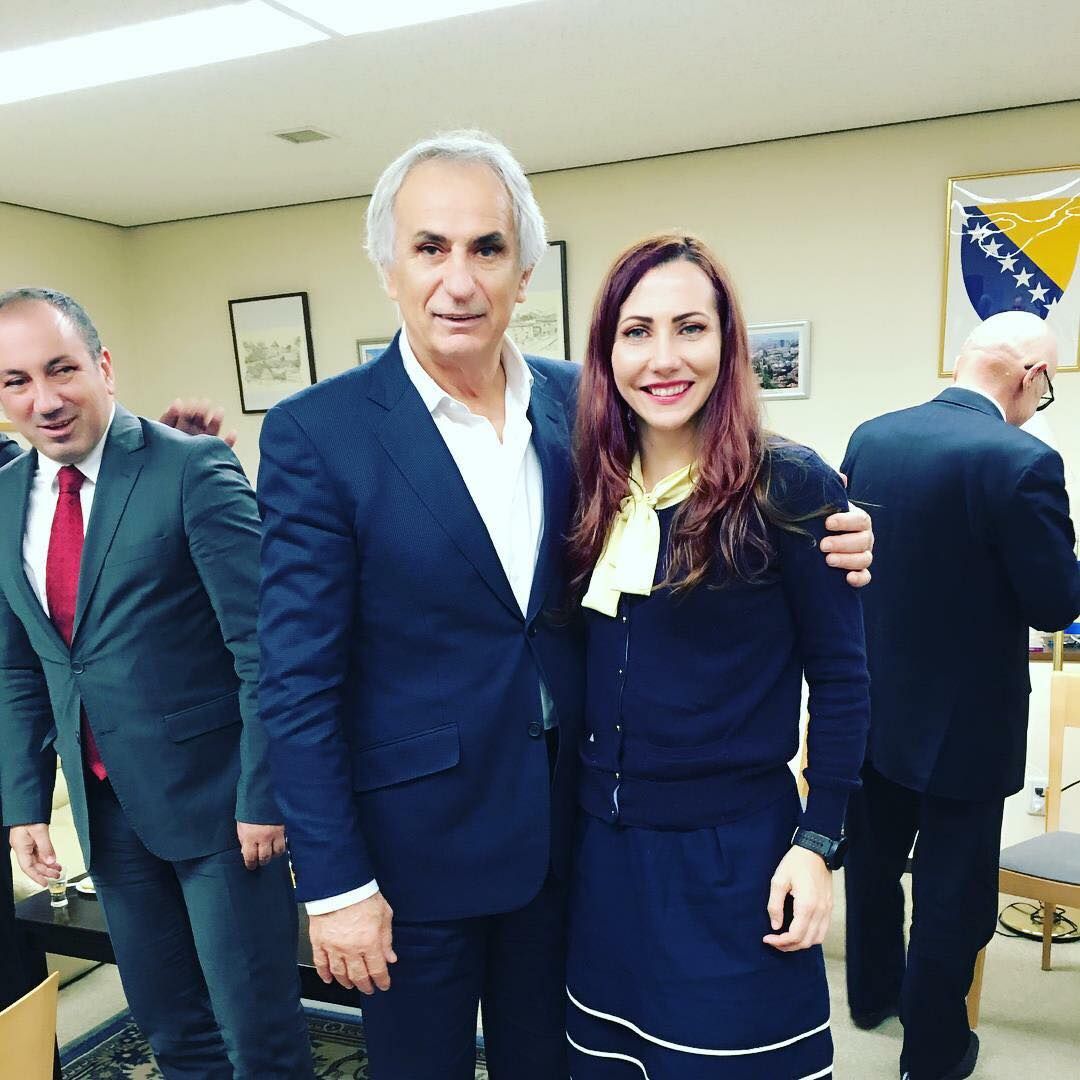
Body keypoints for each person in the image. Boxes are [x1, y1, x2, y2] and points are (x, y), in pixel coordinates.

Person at [256, 131, 875, 1080]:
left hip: (572, 843)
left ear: (523, 273)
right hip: (415, 860)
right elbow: (295, 682)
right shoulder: (319, 432)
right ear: (389, 268)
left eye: (486, 248)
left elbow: (723, 480)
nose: (459, 280)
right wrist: (335, 884)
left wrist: (841, 529)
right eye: (430, 248)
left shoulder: (583, 409)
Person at [561, 233, 870, 1078]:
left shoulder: (789, 483)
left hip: (734, 855)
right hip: (604, 854)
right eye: (637, 332)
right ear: (606, 351)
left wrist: (819, 839)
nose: (664, 358)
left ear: (728, 342)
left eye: (690, 328)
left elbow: (842, 679)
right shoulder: (587, 483)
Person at [0, 288, 313, 1079]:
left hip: (219, 810)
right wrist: (25, 804)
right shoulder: (2, 499)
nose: (44, 400)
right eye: (16, 381)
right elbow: (20, 664)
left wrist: (264, 795)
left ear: (103, 366)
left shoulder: (190, 468)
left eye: (61, 369)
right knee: (173, 1032)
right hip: (108, 816)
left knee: (260, 1040)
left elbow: (266, 649)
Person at [841, 310, 1080, 1080]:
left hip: (873, 704)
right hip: (967, 723)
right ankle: (935, 1053)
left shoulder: (872, 437)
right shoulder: (1024, 461)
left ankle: (871, 998)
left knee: (873, 867)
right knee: (953, 895)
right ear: (1032, 377)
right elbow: (1055, 604)